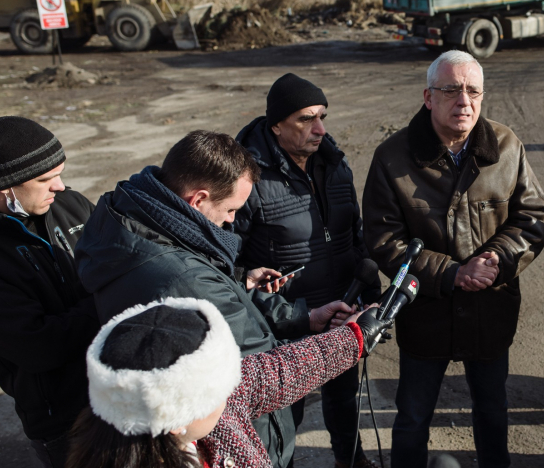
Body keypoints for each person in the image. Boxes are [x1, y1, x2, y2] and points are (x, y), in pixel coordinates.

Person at [75, 130, 352, 468]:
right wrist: (347, 339)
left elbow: (210, 289)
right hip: (232, 436)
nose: (232, 220)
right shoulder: (182, 275)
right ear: (198, 199)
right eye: (230, 208)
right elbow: (260, 371)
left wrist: (297, 313)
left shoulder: (134, 213)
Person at [362, 50, 544, 468]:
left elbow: (534, 216)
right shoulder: (392, 157)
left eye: (473, 91)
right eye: (451, 90)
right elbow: (383, 239)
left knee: (492, 411)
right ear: (428, 97)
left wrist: (496, 259)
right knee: (413, 417)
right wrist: (452, 273)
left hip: (490, 307)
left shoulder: (506, 145)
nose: (464, 101)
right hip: (424, 311)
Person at [233, 73, 380, 468]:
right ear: (276, 125)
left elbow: (353, 233)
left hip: (340, 310)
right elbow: (228, 261)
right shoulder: (247, 178)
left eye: (322, 117)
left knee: (344, 401)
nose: (320, 129)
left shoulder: (335, 165)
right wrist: (266, 294)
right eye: (306, 119)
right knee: (283, 419)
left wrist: (368, 290)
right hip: (285, 326)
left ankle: (351, 460)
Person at [67, 297, 392, 468]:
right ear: (176, 419)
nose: (233, 386)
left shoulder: (201, 405)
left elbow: (276, 372)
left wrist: (352, 337)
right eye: (220, 385)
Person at [0, 116, 100, 468]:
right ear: (5, 186)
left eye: (59, 174)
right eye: (45, 179)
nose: (60, 187)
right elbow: (38, 345)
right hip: (66, 419)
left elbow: (127, 260)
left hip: (121, 386)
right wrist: (112, 301)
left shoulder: (71, 205)